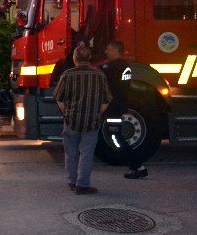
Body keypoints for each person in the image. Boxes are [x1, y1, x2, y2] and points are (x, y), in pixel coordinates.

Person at [53, 45, 111, 195]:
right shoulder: (99, 75)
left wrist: (67, 113)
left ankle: (72, 181)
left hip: (71, 120)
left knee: (71, 153)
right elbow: (106, 101)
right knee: (86, 153)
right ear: (89, 58)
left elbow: (59, 99)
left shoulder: (67, 75)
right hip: (92, 122)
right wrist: (96, 113)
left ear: (74, 58)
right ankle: (82, 185)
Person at [100, 40, 148, 179]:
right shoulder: (125, 66)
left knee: (115, 136)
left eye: (108, 48)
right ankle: (136, 166)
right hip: (119, 106)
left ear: (115, 50)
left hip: (113, 107)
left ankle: (138, 166)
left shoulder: (111, 67)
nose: (106, 51)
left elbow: (100, 76)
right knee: (115, 134)